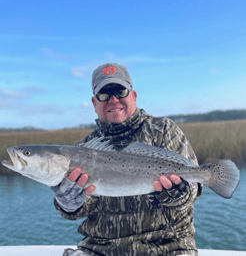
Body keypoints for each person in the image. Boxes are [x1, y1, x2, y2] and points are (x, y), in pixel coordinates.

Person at [51, 63, 203, 256]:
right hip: (100, 250)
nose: (113, 100)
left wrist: (180, 194)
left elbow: (193, 188)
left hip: (168, 247)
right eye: (104, 95)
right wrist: (67, 204)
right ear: (94, 102)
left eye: (120, 91)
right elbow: (81, 209)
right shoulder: (82, 149)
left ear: (133, 95)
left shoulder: (164, 130)